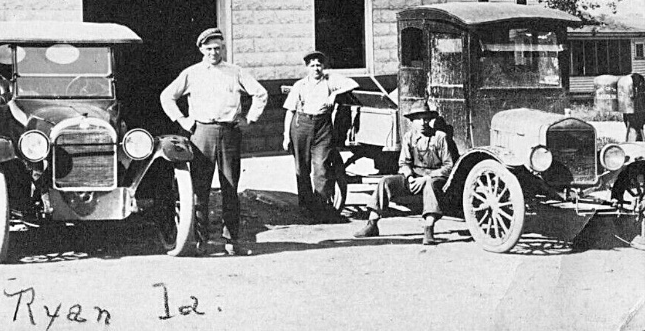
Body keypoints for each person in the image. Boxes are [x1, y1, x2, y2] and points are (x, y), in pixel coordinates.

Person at [159, 27, 269, 255]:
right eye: (209, 49)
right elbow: (167, 96)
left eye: (217, 48)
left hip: (229, 132)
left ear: (223, 49)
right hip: (202, 133)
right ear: (201, 49)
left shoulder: (235, 72)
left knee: (230, 188)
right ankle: (202, 241)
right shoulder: (192, 73)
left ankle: (232, 241)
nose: (213, 52)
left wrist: (250, 119)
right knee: (200, 189)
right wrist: (183, 120)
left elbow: (261, 94)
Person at [354, 99, 455, 245]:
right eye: (418, 119)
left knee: (430, 186)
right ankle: (372, 223)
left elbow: (449, 166)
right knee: (385, 182)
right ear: (412, 121)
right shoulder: (409, 137)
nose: (423, 122)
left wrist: (426, 178)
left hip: (434, 179)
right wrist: (409, 177)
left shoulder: (440, 137)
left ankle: (428, 229)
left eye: (426, 118)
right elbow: (404, 163)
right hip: (414, 178)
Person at [283, 50, 358, 220]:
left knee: (321, 168)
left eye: (319, 65)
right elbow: (290, 111)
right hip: (301, 125)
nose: (316, 68)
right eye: (312, 65)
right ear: (307, 67)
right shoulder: (300, 85)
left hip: (323, 127)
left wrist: (335, 93)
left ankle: (320, 207)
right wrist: (286, 135)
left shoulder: (329, 80)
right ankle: (305, 206)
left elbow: (353, 84)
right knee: (302, 168)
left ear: (323, 66)